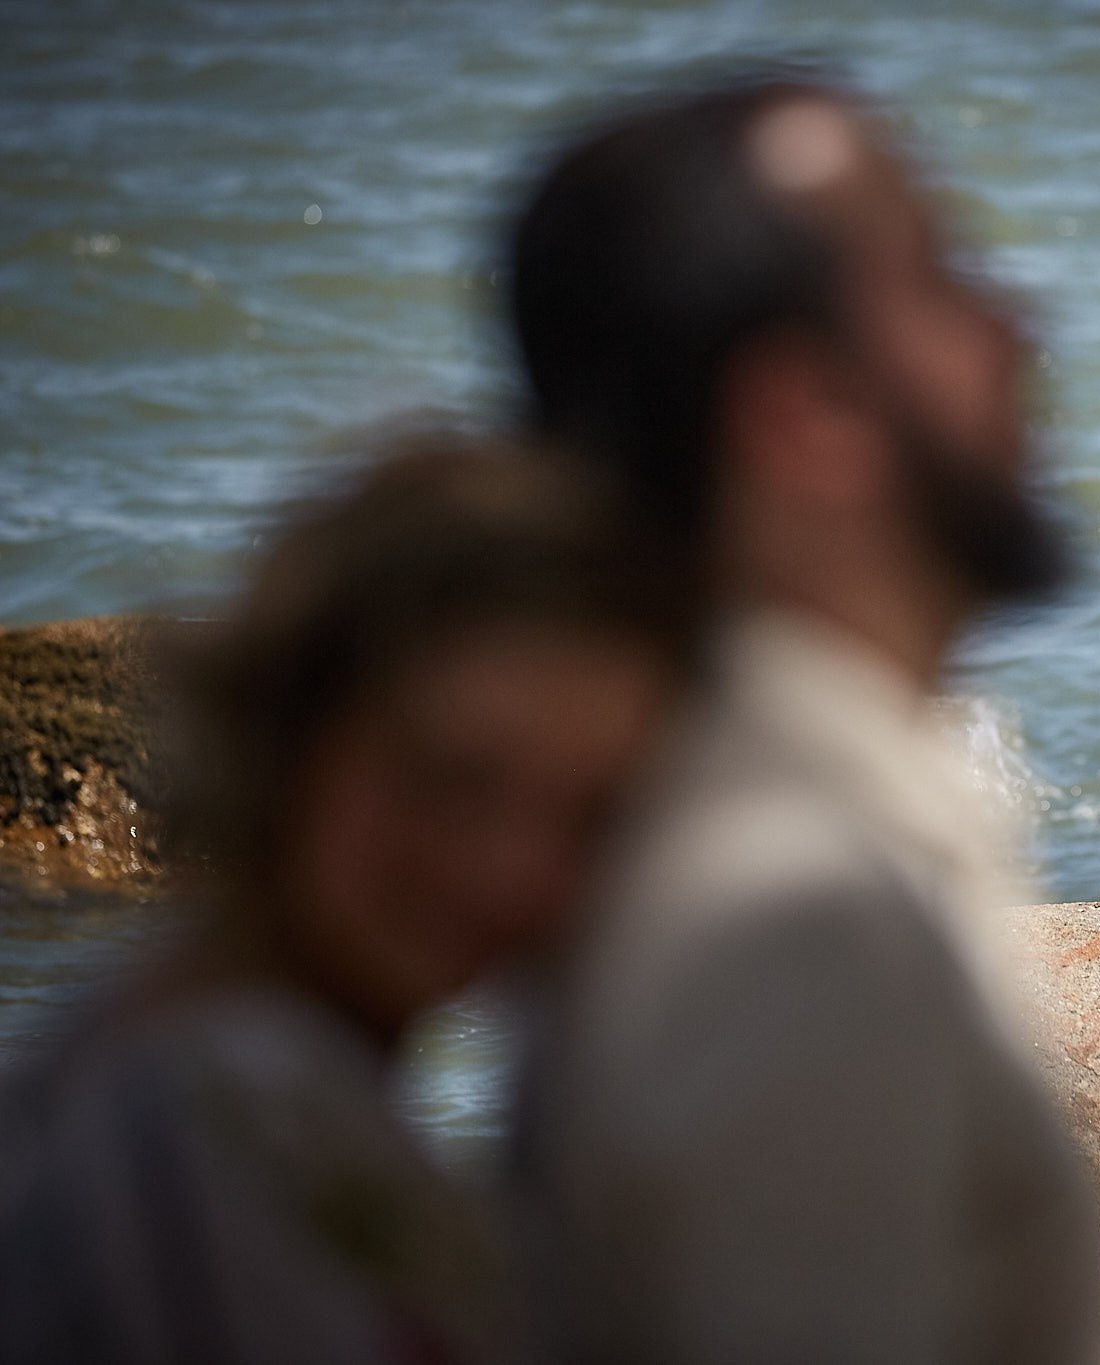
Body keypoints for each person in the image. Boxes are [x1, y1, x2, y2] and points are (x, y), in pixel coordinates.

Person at [506, 66, 1100, 1363]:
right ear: (805, 414)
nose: (1022, 327)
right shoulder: (796, 922)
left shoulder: (734, 814)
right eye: (944, 277)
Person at [0, 437, 683, 1364]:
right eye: (449, 779)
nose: (511, 868)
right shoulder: (221, 1126)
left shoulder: (195, 1058)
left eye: (591, 814)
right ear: (293, 726)